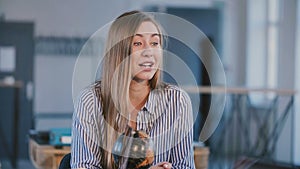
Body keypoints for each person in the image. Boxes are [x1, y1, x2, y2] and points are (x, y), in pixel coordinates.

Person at [71, 10, 195, 169]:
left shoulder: (178, 101)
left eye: (154, 43)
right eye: (137, 43)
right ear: (119, 51)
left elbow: (185, 166)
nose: (149, 52)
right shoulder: (90, 101)